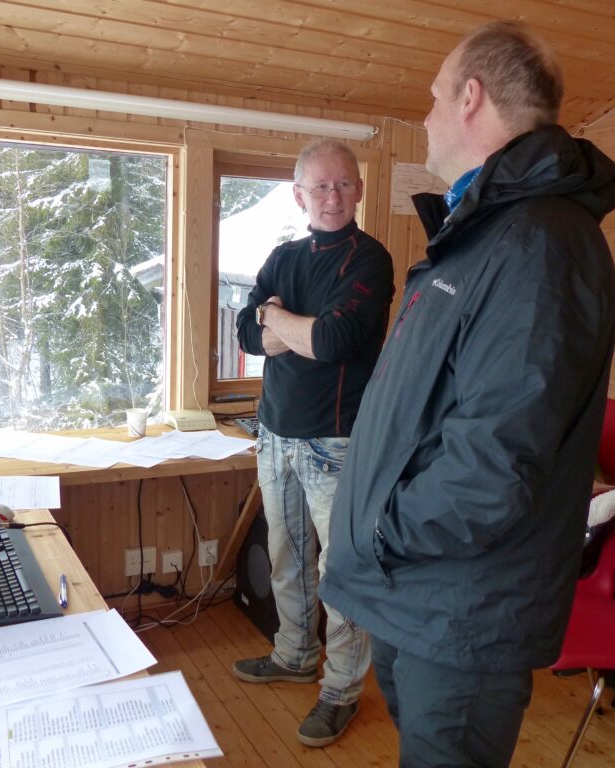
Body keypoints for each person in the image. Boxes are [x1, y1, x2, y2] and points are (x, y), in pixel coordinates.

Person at [319, 21, 615, 767]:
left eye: (431, 98)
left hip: (463, 611)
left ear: (470, 97)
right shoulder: (485, 231)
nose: (424, 117)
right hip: (420, 595)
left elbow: (493, 461)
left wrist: (386, 529)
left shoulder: (541, 243)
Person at [232, 139, 394, 747]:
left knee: (341, 571)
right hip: (274, 435)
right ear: (299, 195)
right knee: (286, 556)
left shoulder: (369, 261)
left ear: (357, 190)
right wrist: (278, 324)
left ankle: (340, 690)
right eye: (320, 187)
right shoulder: (282, 257)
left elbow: (331, 341)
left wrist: (277, 318)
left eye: (343, 185)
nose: (333, 197)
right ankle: (295, 653)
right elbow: (248, 336)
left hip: (338, 443)